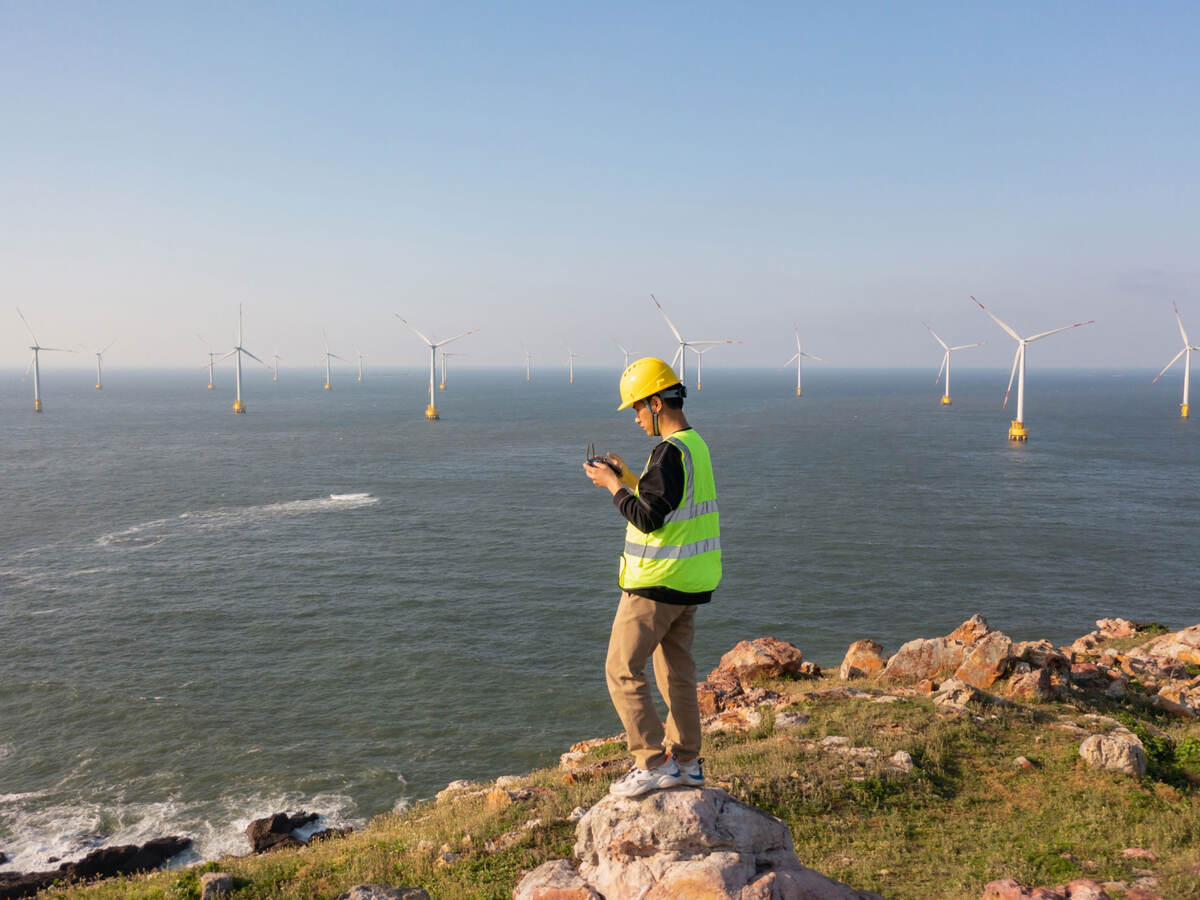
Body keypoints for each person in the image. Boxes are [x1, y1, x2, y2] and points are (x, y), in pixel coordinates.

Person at [582, 357, 722, 798]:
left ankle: (651, 761)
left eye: (638, 409)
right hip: (689, 582)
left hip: (656, 584)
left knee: (622, 669)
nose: (637, 418)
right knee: (676, 674)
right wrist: (627, 475)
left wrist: (612, 486)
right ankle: (687, 763)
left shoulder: (667, 453)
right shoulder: (692, 446)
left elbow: (648, 518)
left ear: (657, 403)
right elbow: (670, 500)